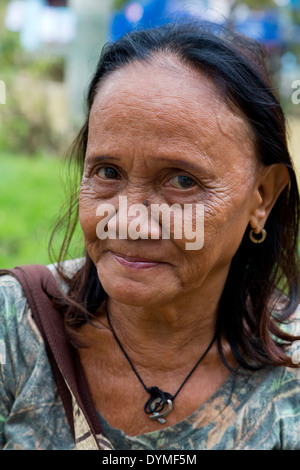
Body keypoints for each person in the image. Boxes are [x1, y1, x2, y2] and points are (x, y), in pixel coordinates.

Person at [0, 22, 300, 451]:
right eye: (107, 172)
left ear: (262, 198)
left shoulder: (290, 380)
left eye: (181, 181)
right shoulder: (12, 332)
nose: (129, 221)